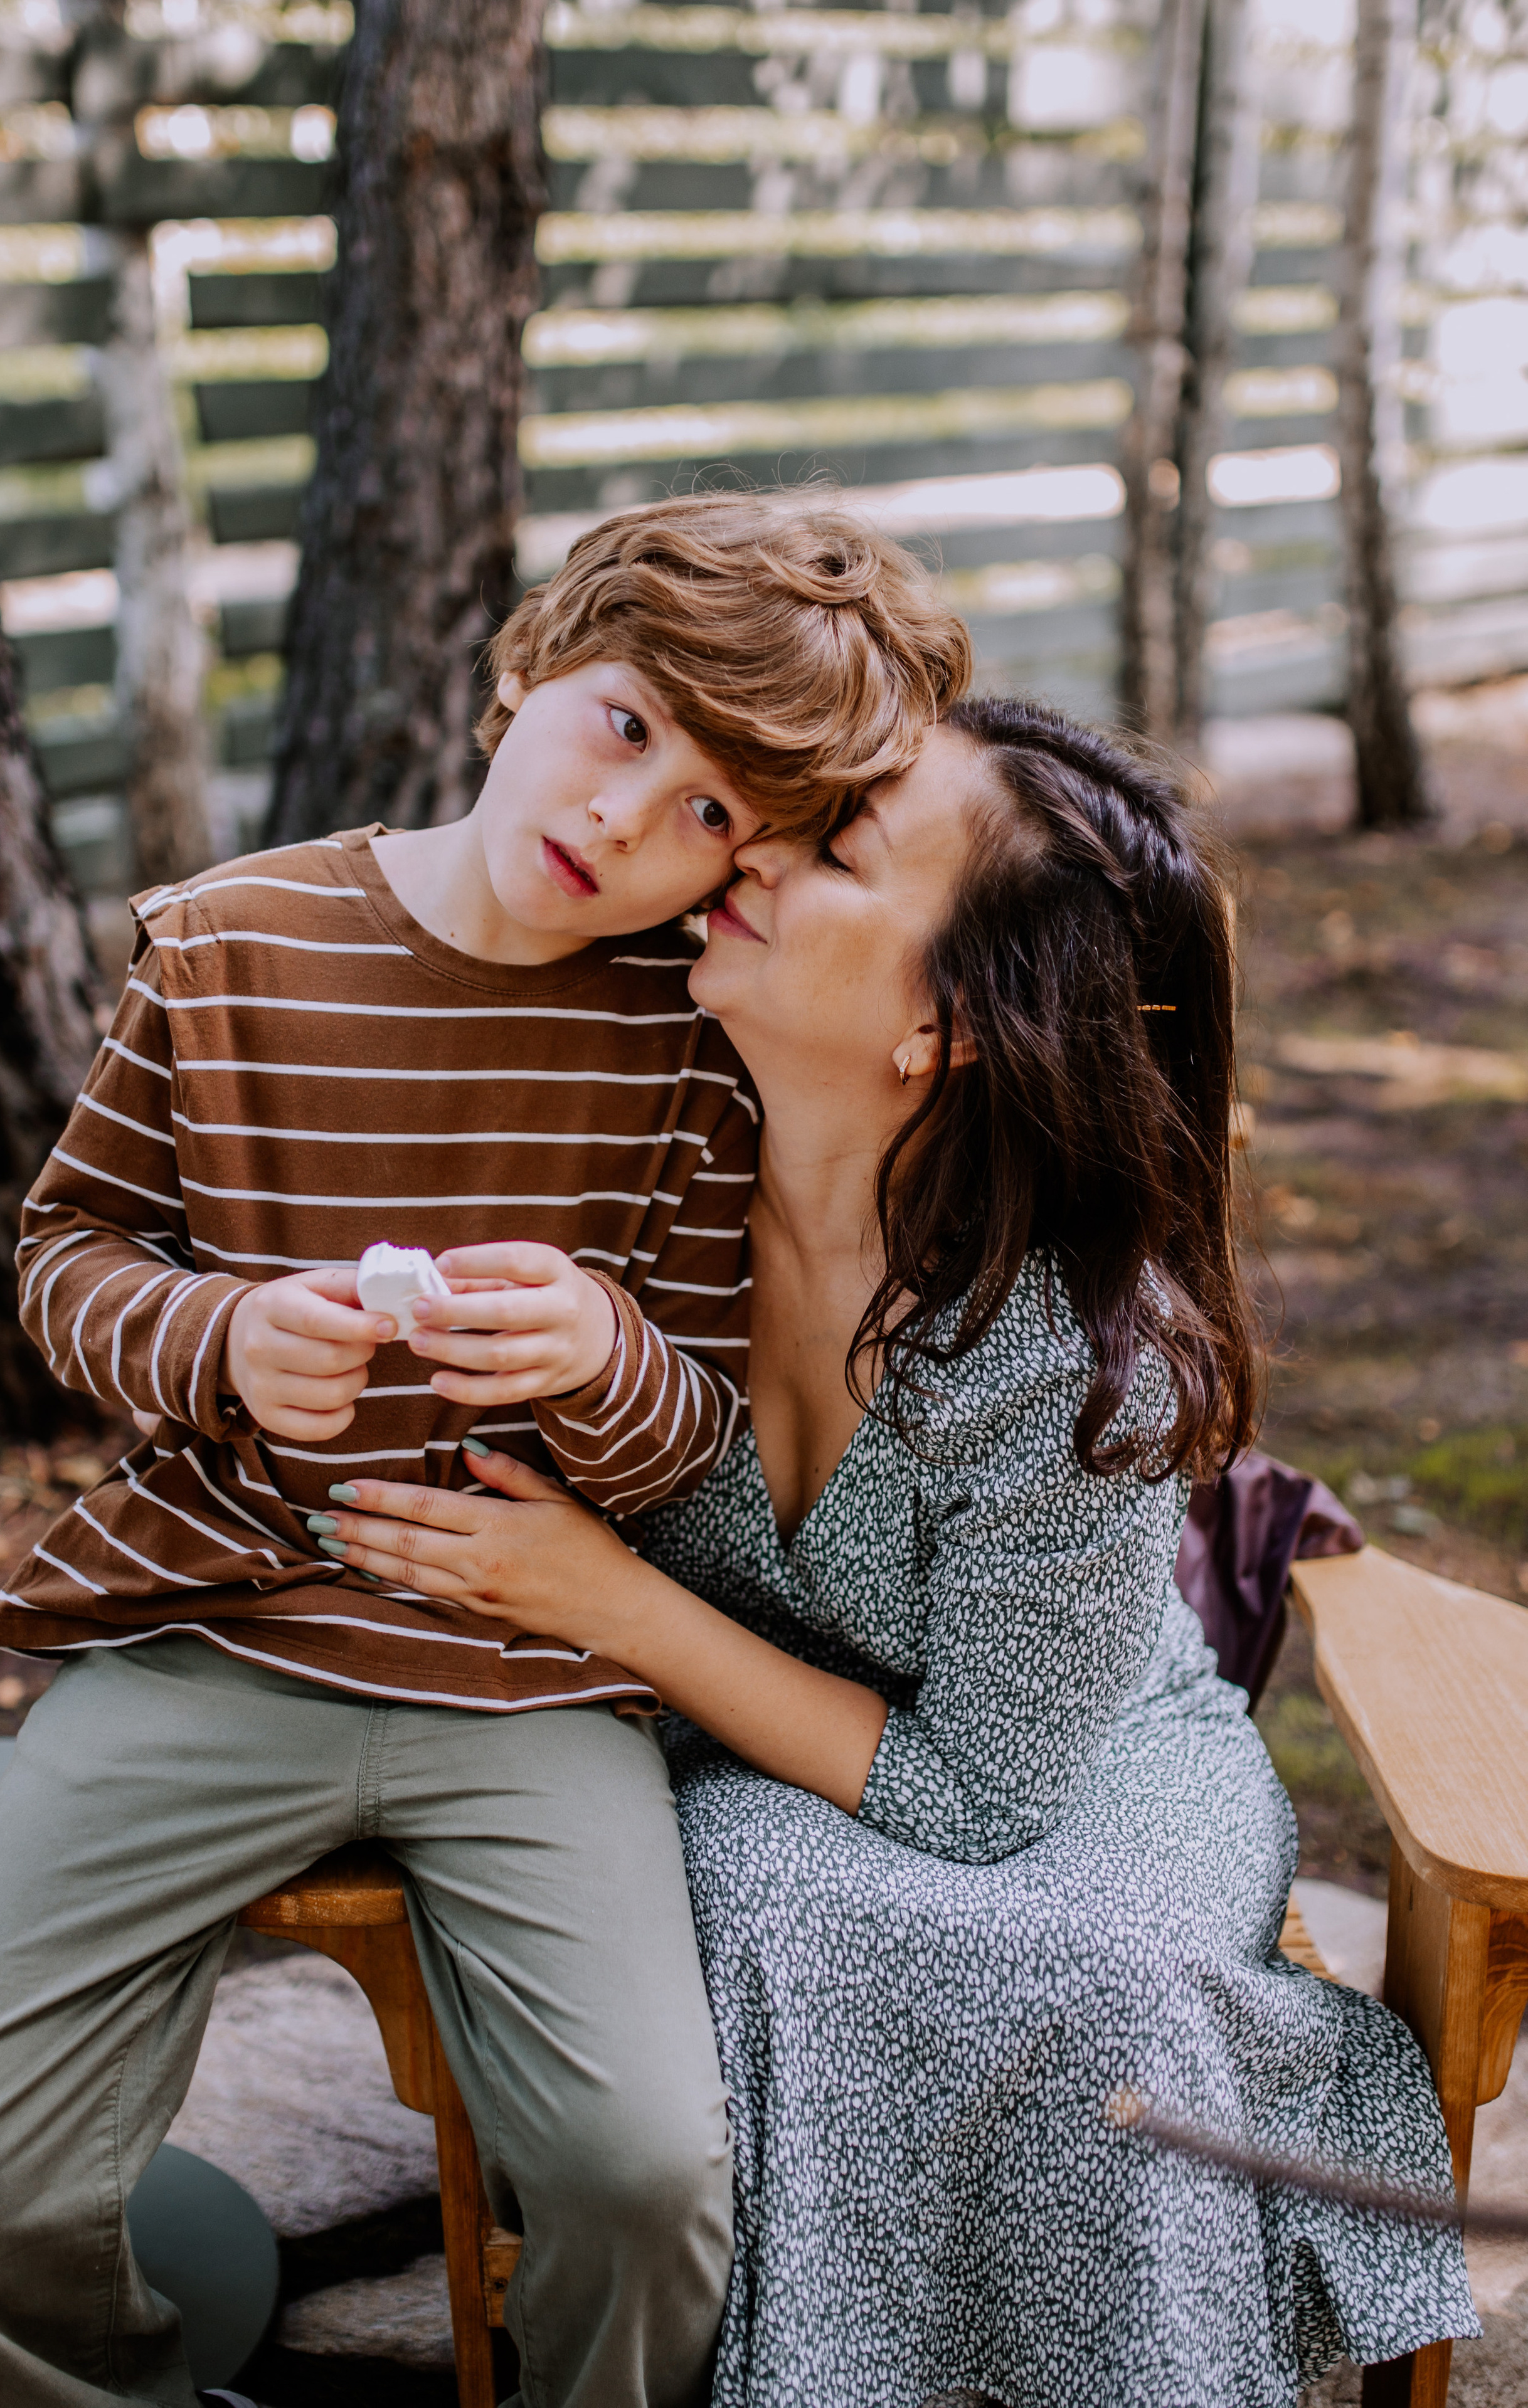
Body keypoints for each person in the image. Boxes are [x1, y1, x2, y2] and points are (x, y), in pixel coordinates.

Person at [0, 494, 974, 2408]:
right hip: (213, 1632)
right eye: (630, 727)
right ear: (528, 666)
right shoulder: (231, 943)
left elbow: (688, 1445)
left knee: (650, 2179)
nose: (628, 822)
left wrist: (596, 1356)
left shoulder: (689, 1031)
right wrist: (221, 1340)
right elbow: (68, 1262)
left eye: (718, 818)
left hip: (533, 1680)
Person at [314, 695, 1478, 2407]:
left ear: (950, 1020)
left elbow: (985, 1796)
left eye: (840, 842)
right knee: (790, 1923)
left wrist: (609, 1599)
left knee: (1112, 2003)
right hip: (716, 1757)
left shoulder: (1080, 1360)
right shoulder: (626, 1160)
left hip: (1068, 1764)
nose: (756, 845)